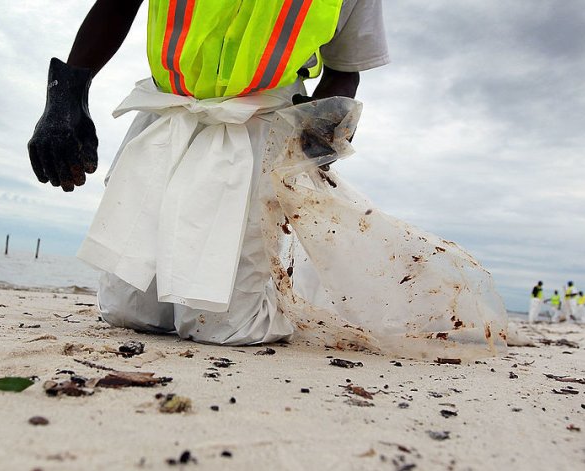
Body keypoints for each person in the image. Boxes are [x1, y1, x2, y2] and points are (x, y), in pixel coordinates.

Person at [28, 1, 389, 345]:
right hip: (169, 113)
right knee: (130, 312)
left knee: (224, 327)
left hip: (259, 122)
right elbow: (118, 4)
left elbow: (344, 66)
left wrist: (325, 124)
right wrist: (66, 95)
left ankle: (294, 295)